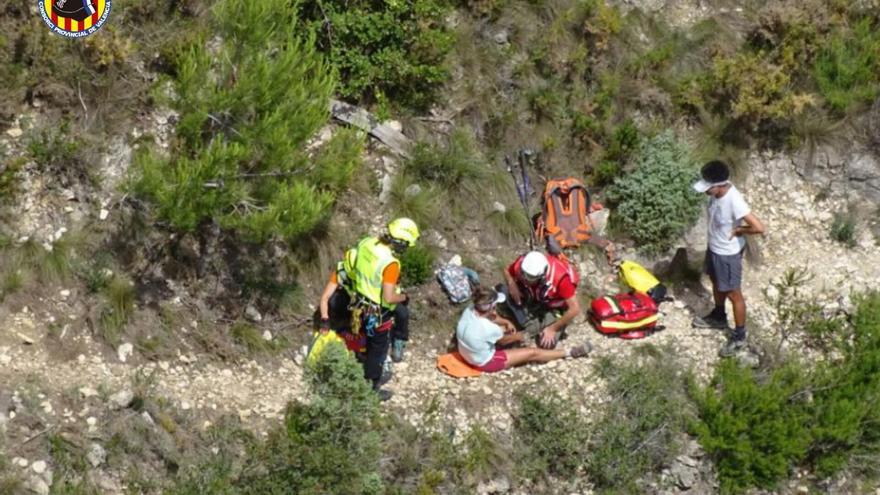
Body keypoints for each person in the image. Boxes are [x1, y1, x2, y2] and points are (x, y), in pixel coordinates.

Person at [316, 218, 419, 400]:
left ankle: (360, 359)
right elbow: (388, 297)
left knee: (364, 335)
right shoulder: (391, 264)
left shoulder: (366, 243)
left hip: (358, 304)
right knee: (378, 349)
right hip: (378, 312)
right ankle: (371, 388)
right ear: (401, 242)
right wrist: (404, 297)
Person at [691, 160, 765, 357]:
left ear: (720, 185)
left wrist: (739, 230)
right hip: (715, 248)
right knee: (716, 282)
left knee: (734, 294)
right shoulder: (716, 194)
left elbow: (759, 227)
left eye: (708, 188)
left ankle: (739, 337)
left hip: (728, 254)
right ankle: (719, 315)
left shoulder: (734, 200)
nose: (706, 191)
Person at [456, 287, 591, 372]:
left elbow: (491, 317)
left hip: (466, 352)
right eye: (495, 305)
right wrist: (520, 336)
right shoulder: (489, 328)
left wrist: (506, 322)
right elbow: (503, 341)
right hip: (483, 361)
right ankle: (569, 352)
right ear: (491, 307)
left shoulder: (470, 311)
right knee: (532, 353)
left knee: (505, 332)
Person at [499, 251, 581, 349]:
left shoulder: (561, 279)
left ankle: (532, 327)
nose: (524, 278)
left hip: (552, 306)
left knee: (546, 343)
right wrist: (512, 284)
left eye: (530, 277)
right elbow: (506, 270)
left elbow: (575, 309)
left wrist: (552, 329)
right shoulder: (523, 264)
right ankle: (529, 324)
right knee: (503, 290)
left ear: (542, 276)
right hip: (534, 296)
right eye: (523, 274)